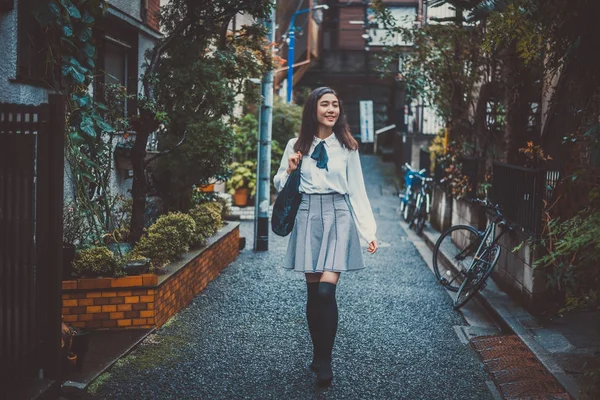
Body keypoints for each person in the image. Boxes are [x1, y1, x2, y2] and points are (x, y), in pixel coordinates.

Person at [273, 87, 378, 386]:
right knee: (312, 293)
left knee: (325, 292)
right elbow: (280, 182)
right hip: (307, 214)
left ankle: (326, 360)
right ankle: (318, 356)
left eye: (335, 105)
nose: (331, 109)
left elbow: (357, 189)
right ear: (313, 109)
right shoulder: (296, 144)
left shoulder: (347, 146)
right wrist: (290, 169)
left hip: (338, 214)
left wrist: (368, 231)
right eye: (325, 104)